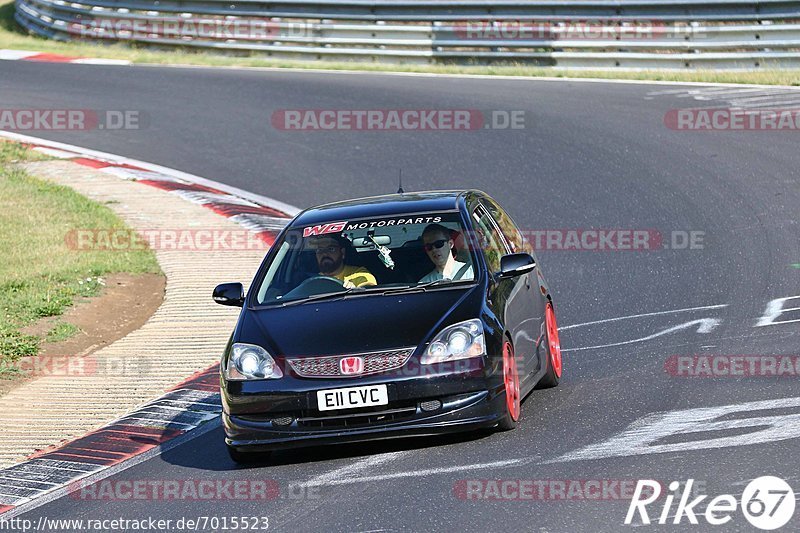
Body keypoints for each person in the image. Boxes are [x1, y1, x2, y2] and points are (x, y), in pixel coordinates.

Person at [311, 234, 377, 288]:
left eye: (331, 249)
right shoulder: (311, 281)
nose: (324, 253)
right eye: (320, 250)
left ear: (342, 253)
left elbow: (369, 294)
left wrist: (356, 292)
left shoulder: (359, 275)